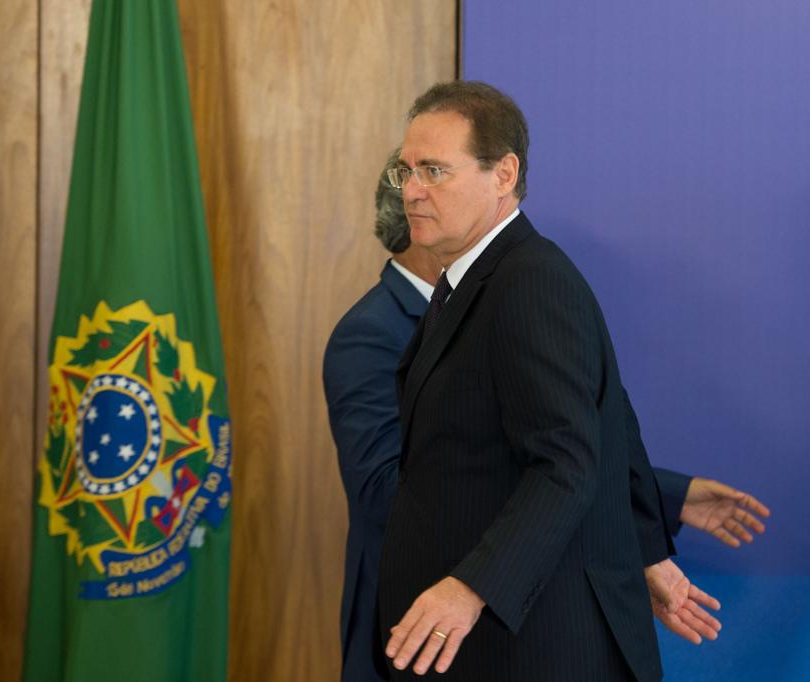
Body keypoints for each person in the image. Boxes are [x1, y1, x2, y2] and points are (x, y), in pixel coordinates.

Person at [323, 149, 770, 682]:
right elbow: (386, 489)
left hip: (510, 631)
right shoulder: (368, 334)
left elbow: (571, 433)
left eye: (437, 176)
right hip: (420, 632)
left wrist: (659, 498)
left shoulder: (517, 288)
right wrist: (543, 510)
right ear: (411, 221)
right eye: (421, 183)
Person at [375, 80, 719, 681]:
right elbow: (611, 424)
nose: (412, 190)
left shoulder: (530, 281)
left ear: (503, 174)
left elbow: (566, 462)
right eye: (406, 171)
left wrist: (469, 588)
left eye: (434, 170)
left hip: (529, 645)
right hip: (484, 644)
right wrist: (644, 550)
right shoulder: (473, 280)